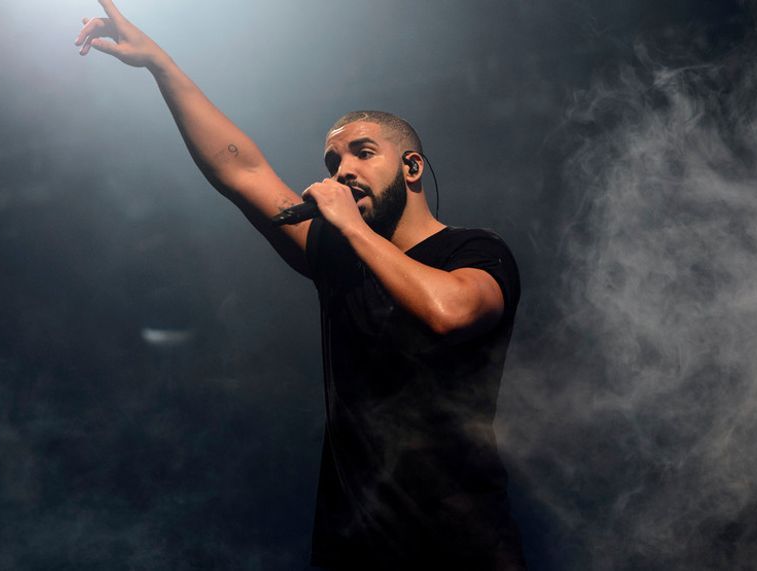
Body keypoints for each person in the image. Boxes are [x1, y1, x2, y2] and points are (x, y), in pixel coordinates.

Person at [75, 2, 526, 568]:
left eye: (363, 153)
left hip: (462, 549)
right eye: (333, 161)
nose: (342, 171)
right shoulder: (340, 256)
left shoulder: (475, 251)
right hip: (353, 547)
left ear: (412, 168)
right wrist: (160, 65)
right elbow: (241, 169)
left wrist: (348, 226)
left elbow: (449, 310)